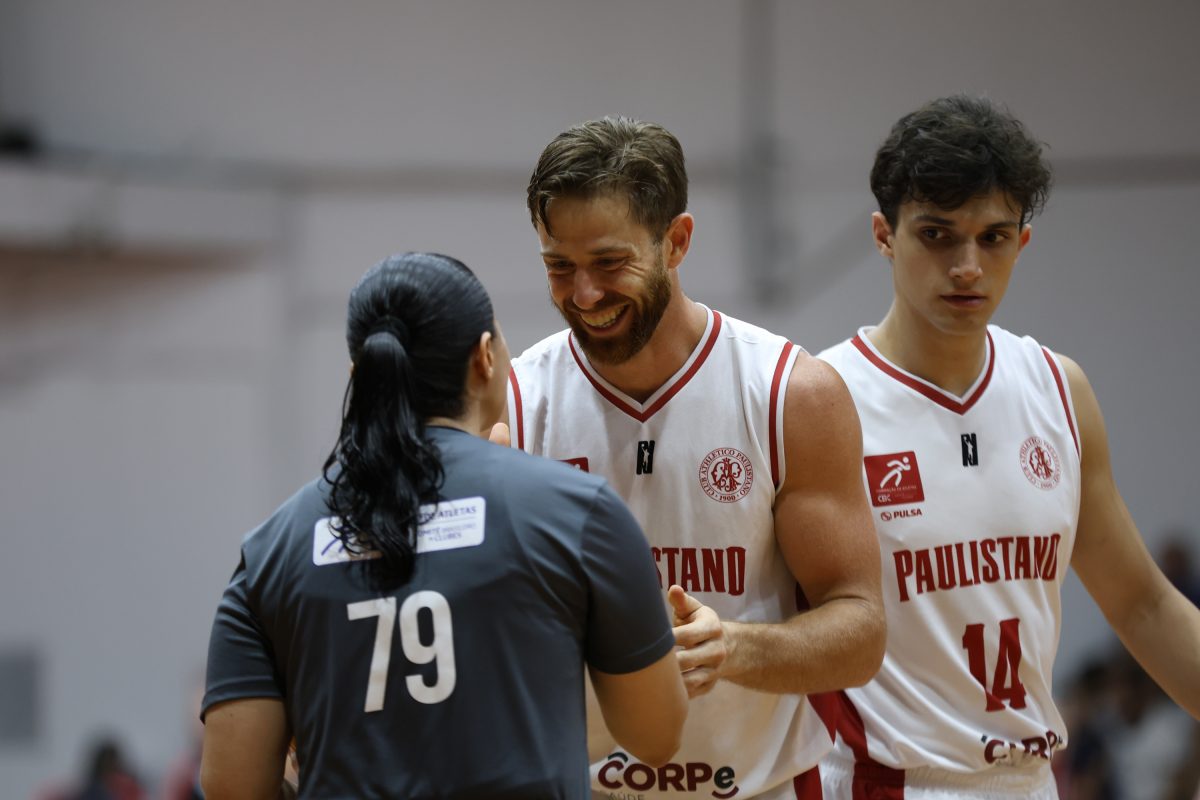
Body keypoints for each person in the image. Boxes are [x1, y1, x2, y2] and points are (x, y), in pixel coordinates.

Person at [816, 94, 1200, 799]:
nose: (967, 265)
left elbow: (1142, 605)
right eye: (938, 234)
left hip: (1029, 781)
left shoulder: (1060, 390)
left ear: (1021, 243)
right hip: (886, 782)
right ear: (884, 236)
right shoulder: (820, 400)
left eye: (992, 237)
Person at [200, 252, 687, 799]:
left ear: (358, 376)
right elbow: (655, 735)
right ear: (485, 358)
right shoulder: (577, 512)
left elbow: (231, 786)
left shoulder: (271, 549)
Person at [508, 117, 885, 799]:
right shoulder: (516, 402)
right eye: (559, 267)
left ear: (677, 241)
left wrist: (733, 648)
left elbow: (860, 632)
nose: (584, 295)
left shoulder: (790, 393)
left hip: (758, 788)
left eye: (609, 263)